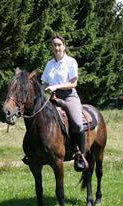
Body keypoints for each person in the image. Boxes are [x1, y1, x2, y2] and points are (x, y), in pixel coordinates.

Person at [41, 35, 88, 172]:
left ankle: (80, 155)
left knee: (78, 124)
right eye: (54, 45)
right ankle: (35, 152)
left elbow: (73, 82)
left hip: (69, 97)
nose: (57, 48)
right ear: (51, 47)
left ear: (64, 46)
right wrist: (39, 89)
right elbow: (44, 83)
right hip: (53, 98)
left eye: (59, 45)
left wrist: (56, 86)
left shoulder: (71, 62)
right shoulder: (49, 64)